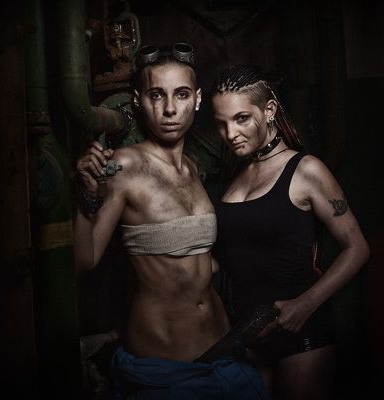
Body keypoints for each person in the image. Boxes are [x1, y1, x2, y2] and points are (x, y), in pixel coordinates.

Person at [74, 45, 269, 399]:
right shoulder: (122, 165)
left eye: (181, 94)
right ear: (138, 101)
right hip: (165, 365)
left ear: (197, 99)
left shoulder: (192, 168)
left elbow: (195, 258)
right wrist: (86, 194)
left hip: (222, 350)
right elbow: (84, 260)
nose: (169, 109)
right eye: (156, 95)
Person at [210, 64, 370, 400]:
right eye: (221, 123)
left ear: (269, 110)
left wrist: (305, 304)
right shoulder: (233, 173)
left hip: (303, 332)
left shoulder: (307, 169)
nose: (230, 133)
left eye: (241, 118)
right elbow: (228, 255)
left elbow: (357, 247)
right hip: (248, 335)